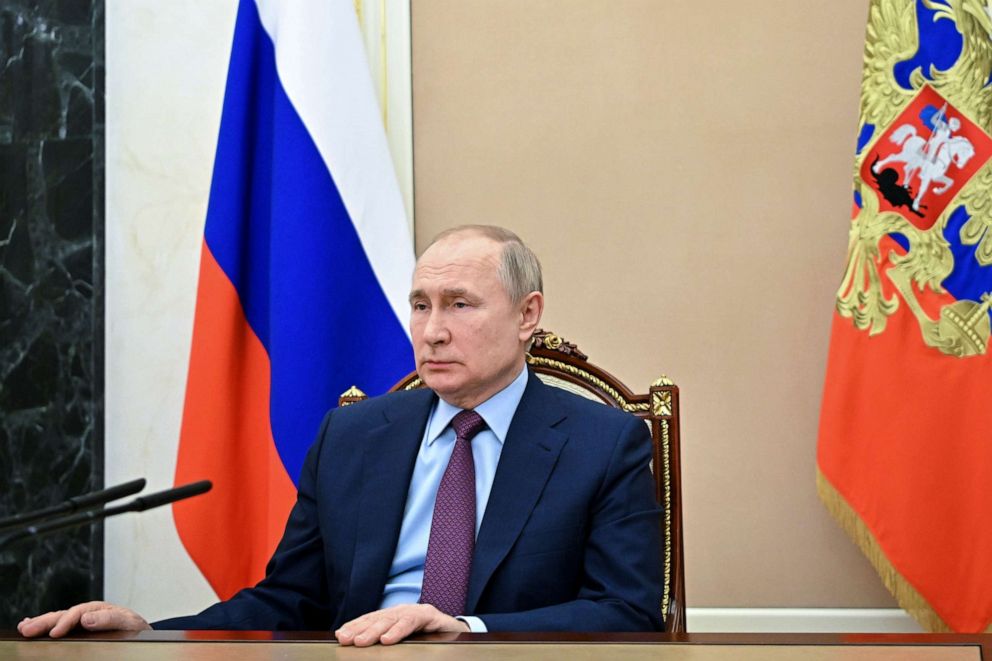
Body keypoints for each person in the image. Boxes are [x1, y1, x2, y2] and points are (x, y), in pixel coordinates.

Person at [19, 225, 663, 646]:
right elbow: (289, 601)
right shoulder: (352, 435)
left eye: (460, 304)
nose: (432, 330)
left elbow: (626, 611)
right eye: (420, 304)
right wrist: (152, 634)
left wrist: (466, 628)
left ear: (528, 315)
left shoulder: (603, 443)